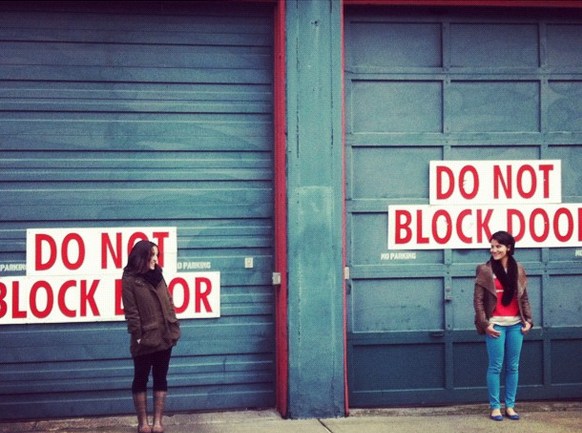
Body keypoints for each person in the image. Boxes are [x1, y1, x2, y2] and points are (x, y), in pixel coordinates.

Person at [122, 240, 181, 433]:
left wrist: (173, 325)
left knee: (160, 377)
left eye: (157, 255)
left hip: (164, 336)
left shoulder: (158, 276)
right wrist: (138, 336)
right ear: (142, 258)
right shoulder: (130, 279)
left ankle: (157, 422)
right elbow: (131, 311)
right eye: (152, 255)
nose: (155, 259)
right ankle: (143, 423)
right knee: (140, 378)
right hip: (145, 339)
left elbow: (168, 301)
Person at [473, 231, 533, 422]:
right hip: (495, 326)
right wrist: (485, 324)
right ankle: (495, 407)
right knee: (495, 366)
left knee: (513, 367)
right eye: (492, 246)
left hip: (516, 325)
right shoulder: (484, 269)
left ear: (508, 247)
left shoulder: (519, 269)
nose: (494, 250)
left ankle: (510, 406)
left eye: (498, 246)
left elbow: (523, 297)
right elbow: (478, 301)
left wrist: (529, 320)